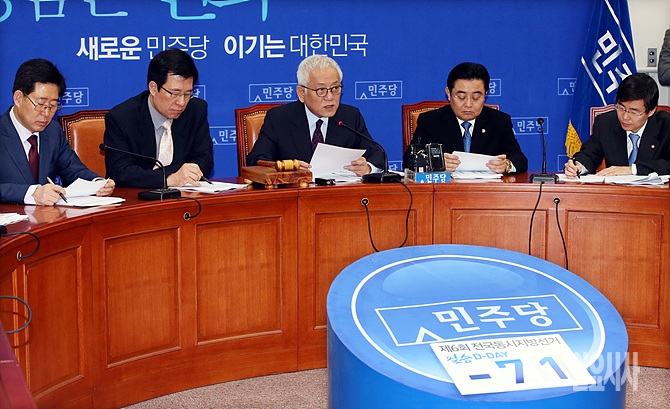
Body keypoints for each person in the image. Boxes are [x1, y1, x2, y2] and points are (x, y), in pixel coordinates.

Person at [246, 54, 385, 176]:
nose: (330, 97)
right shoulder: (279, 118)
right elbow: (256, 160)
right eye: (321, 90)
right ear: (301, 93)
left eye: (335, 88)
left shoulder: (350, 116)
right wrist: (287, 168)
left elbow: (377, 155)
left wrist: (367, 168)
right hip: (296, 195)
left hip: (338, 194)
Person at [0, 59, 115, 205]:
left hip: (46, 216)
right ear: (18, 98)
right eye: (40, 104)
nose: (46, 113)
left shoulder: (52, 131)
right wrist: (30, 193)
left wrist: (98, 183)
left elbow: (74, 170)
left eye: (53, 106)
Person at [104, 48, 214, 188]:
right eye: (174, 93)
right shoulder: (122, 117)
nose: (181, 102)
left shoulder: (196, 110)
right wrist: (169, 179)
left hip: (184, 196)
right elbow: (120, 172)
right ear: (153, 88)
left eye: (187, 94)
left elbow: (205, 161)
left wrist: (177, 176)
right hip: (136, 198)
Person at [402, 62, 528, 174]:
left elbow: (519, 159)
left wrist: (506, 165)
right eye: (461, 97)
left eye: (476, 97)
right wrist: (434, 163)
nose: (468, 104)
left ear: (485, 94)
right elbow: (409, 160)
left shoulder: (499, 121)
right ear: (448, 93)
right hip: (446, 190)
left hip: (485, 190)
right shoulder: (430, 121)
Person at [564, 73, 670, 178]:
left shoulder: (666, 125)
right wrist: (578, 166)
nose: (625, 117)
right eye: (621, 108)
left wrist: (631, 170)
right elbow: (590, 154)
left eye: (634, 112)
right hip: (617, 189)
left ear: (651, 111)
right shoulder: (606, 123)